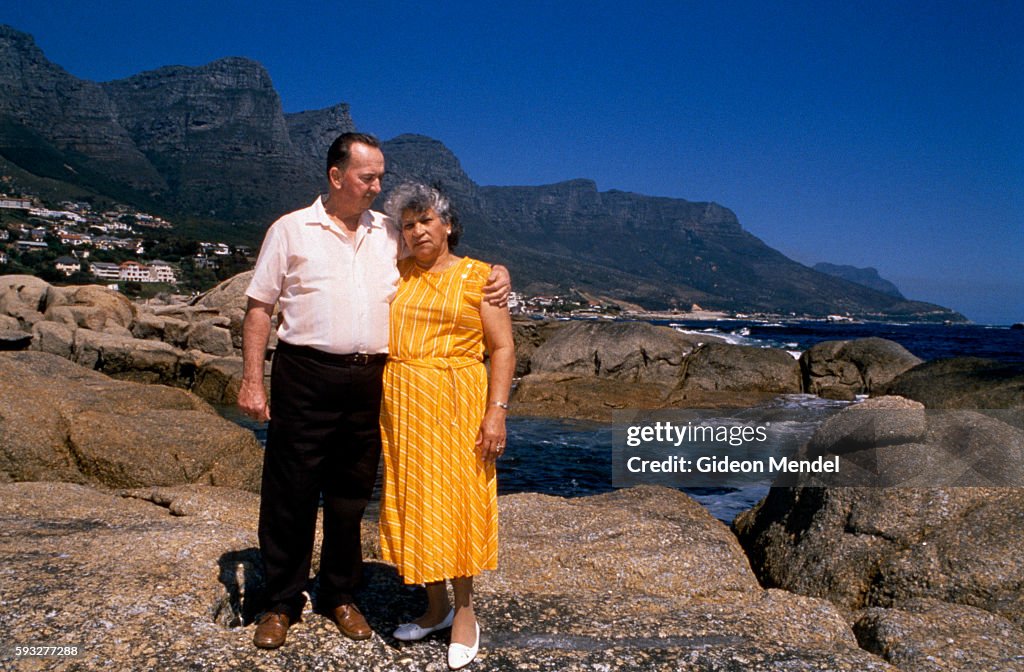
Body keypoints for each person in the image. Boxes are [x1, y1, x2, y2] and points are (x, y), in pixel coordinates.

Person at [238, 133, 509, 650]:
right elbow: (259, 307)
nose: (377, 186)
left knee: (349, 494)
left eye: (381, 176)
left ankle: (340, 595)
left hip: (371, 380)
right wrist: (253, 377)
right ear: (337, 176)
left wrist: (499, 274)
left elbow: (447, 259)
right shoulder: (291, 230)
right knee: (289, 492)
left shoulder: (390, 231)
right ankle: (281, 601)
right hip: (305, 371)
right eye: (368, 177)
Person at [377, 183, 514, 669]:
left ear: (449, 224)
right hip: (406, 405)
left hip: (459, 401)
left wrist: (496, 410)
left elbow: (502, 348)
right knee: (418, 501)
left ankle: (465, 612)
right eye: (408, 225)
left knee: (458, 501)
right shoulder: (396, 274)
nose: (417, 231)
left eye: (426, 221)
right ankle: (434, 607)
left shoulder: (481, 278)